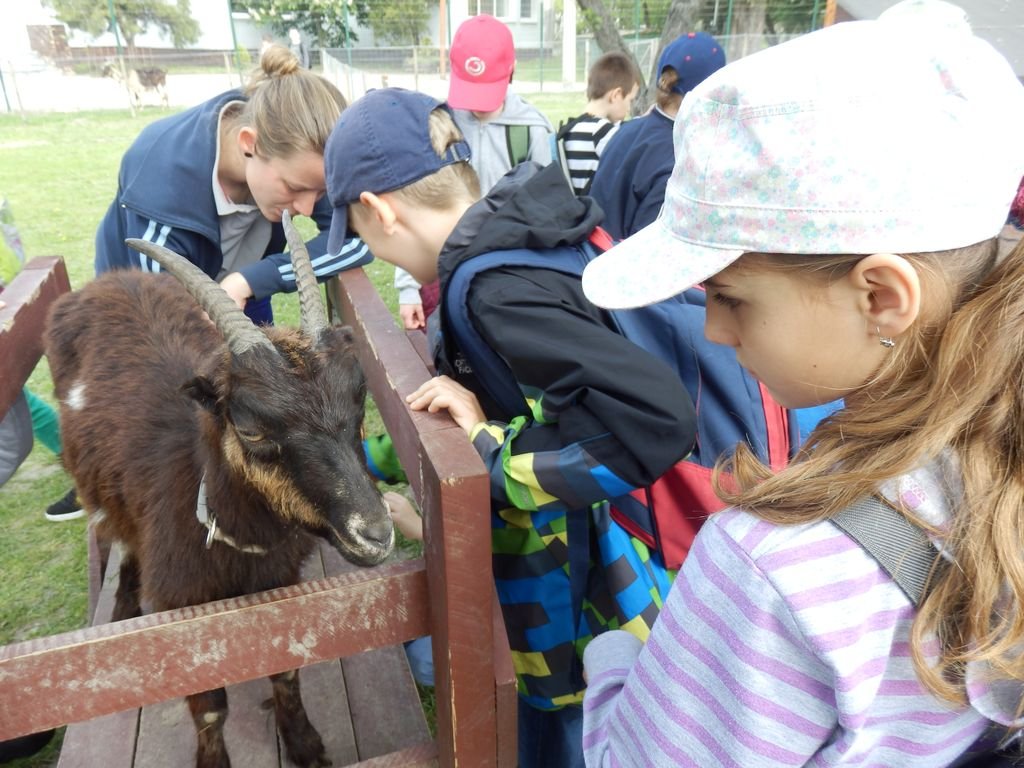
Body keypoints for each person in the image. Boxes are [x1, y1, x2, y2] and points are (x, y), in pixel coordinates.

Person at [578, 2, 1024, 765]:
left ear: (883, 296)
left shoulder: (773, 565)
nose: (715, 332)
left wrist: (616, 665)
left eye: (730, 297)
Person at [326, 88, 696, 768]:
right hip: (588, 574)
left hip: (579, 596)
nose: (372, 251)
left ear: (379, 211)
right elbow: (520, 405)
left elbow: (653, 421)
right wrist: (385, 455)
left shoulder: (495, 289)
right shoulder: (520, 224)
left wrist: (488, 457)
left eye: (359, 233)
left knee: (565, 739)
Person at [94, 44, 370, 326]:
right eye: (293, 188)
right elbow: (163, 321)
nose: (307, 207)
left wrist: (251, 279)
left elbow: (357, 240)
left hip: (241, 291)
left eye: (321, 192)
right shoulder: (161, 187)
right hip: (154, 312)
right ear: (249, 143)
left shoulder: (301, 157)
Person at [394, 13, 554, 331]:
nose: (477, 106)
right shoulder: (440, 124)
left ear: (510, 71)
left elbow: (546, 213)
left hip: (506, 275)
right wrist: (408, 287)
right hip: (441, 273)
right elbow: (414, 205)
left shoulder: (531, 130)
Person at [588, 32, 725, 240]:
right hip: (625, 264)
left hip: (591, 256)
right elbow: (651, 248)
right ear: (711, 94)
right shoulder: (679, 159)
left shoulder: (626, 130)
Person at [552, 52, 640, 196]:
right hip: (592, 212)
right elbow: (632, 166)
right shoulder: (602, 131)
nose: (629, 109)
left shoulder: (572, 126)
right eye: (630, 100)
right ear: (616, 95)